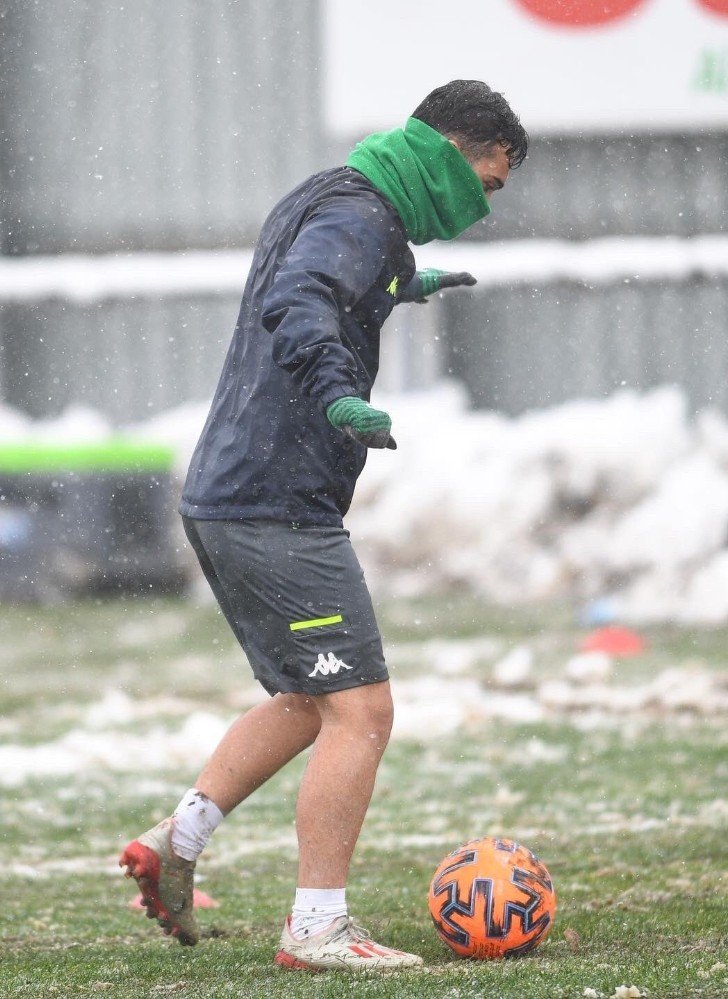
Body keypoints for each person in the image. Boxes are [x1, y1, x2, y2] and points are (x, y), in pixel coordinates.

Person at [119, 80, 528, 973]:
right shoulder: (363, 219)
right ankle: (317, 928)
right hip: (276, 503)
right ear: (454, 155)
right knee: (362, 710)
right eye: (487, 186)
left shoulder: (332, 194)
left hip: (231, 491)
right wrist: (341, 394)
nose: (481, 209)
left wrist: (396, 286)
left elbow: (314, 275)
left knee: (309, 700)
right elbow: (302, 296)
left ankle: (176, 840)